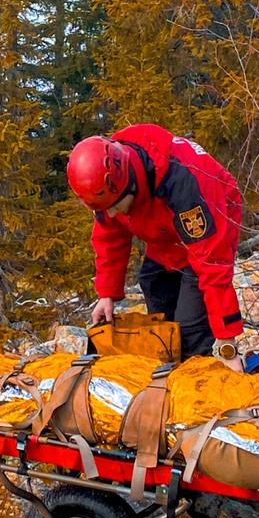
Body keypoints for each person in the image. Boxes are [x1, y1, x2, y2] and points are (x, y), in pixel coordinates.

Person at [67, 126, 245, 366]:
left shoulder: (183, 182)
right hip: (163, 227)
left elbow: (213, 265)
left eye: (114, 207)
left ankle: (197, 365)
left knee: (189, 327)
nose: (109, 213)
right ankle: (169, 368)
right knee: (154, 286)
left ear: (128, 184)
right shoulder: (107, 181)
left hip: (213, 214)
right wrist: (106, 295)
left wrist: (227, 343)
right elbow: (109, 237)